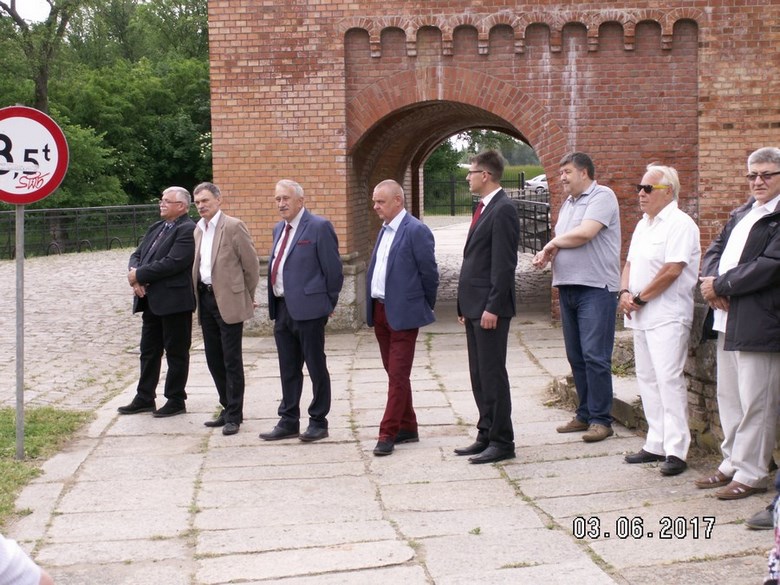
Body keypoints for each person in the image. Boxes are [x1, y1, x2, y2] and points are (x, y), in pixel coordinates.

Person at [695, 146, 780, 500]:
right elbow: (714, 249)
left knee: (757, 400)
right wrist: (710, 281)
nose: (758, 181)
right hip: (725, 318)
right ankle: (732, 461)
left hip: (761, 319)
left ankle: (753, 471)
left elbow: (770, 265)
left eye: (767, 175)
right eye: (752, 175)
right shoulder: (743, 212)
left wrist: (722, 285)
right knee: (729, 396)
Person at [532, 152, 621, 443]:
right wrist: (548, 253)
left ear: (584, 173)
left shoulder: (602, 196)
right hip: (568, 286)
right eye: (561, 173)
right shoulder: (568, 204)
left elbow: (585, 233)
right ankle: (584, 414)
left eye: (567, 172)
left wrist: (551, 244)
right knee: (577, 356)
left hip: (596, 288)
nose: (562, 178)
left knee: (595, 355)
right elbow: (566, 240)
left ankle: (601, 420)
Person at [618, 164, 700, 476]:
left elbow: (672, 269)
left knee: (668, 379)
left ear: (668, 192)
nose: (641, 193)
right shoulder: (644, 224)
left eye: (648, 189)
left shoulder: (680, 224)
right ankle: (656, 441)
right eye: (639, 188)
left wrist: (640, 298)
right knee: (647, 378)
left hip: (667, 314)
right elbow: (629, 262)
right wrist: (624, 292)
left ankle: (677, 449)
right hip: (640, 314)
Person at [260, 180, 344, 442]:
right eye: (277, 199)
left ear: (300, 200)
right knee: (288, 367)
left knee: (316, 366)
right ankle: (288, 420)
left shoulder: (318, 227)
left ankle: (318, 421)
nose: (281, 204)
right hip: (282, 307)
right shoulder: (278, 229)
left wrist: (329, 303)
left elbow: (333, 270)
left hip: (310, 309)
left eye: (285, 198)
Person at [455, 150, 520, 464]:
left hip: (490, 309)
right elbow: (474, 259)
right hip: (473, 306)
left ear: (486, 175)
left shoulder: (503, 209)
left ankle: (502, 441)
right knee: (479, 374)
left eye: (471, 172)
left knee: (493, 374)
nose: (467, 177)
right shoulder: (483, 207)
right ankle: (485, 432)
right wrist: (462, 304)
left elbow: (504, 264)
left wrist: (493, 306)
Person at [367, 180, 439, 456]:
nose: (376, 207)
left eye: (380, 202)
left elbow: (429, 274)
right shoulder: (384, 230)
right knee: (394, 373)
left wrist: (422, 306)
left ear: (398, 200)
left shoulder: (416, 230)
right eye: (375, 202)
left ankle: (388, 432)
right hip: (380, 311)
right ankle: (408, 426)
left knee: (397, 375)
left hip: (404, 314)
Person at [119, 186, 196, 417]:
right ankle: (144, 396)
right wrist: (135, 277)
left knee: (176, 352)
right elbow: (137, 255)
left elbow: (174, 262)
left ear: (181, 206)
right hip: (150, 300)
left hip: (175, 301)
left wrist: (139, 275)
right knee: (149, 351)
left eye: (166, 201)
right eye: (161, 200)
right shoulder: (157, 227)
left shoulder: (187, 229)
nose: (161, 204)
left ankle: (175, 399)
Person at [192, 182, 260, 436]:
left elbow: (251, 265)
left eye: (205, 201)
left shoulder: (233, 226)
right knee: (213, 358)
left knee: (231, 359)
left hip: (229, 301)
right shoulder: (198, 229)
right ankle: (226, 405)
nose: (201, 206)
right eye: (197, 202)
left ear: (218, 200)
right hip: (206, 298)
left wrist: (246, 295)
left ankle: (235, 414)